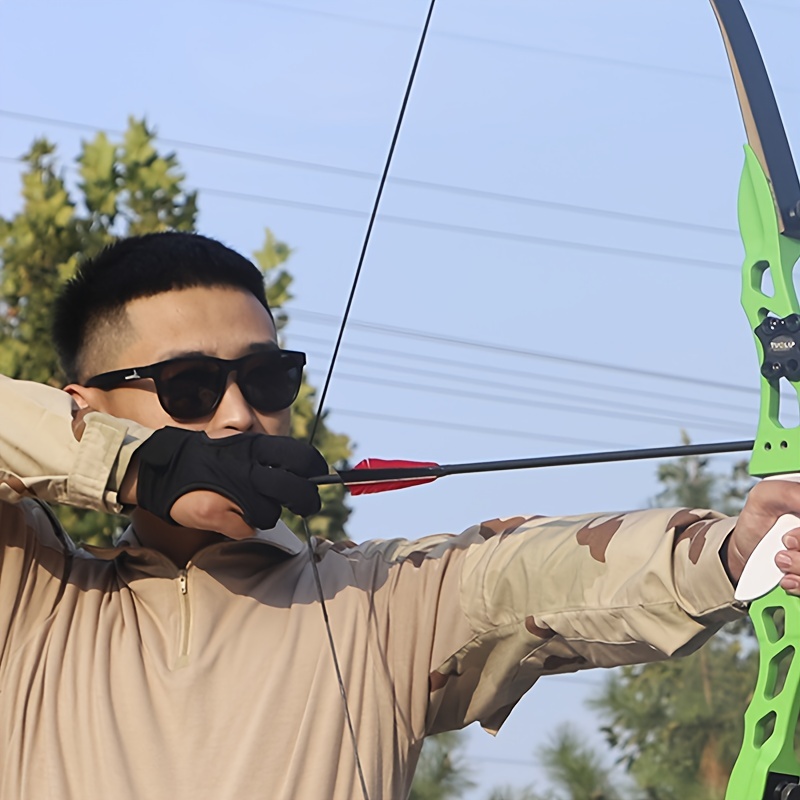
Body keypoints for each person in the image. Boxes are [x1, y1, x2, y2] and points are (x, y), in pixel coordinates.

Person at [1, 231, 799, 800]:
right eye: (189, 387)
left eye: (267, 378)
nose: (240, 415)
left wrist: (737, 551)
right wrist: (138, 464)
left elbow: (535, 573)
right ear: (86, 407)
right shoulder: (31, 595)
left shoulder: (376, 603)